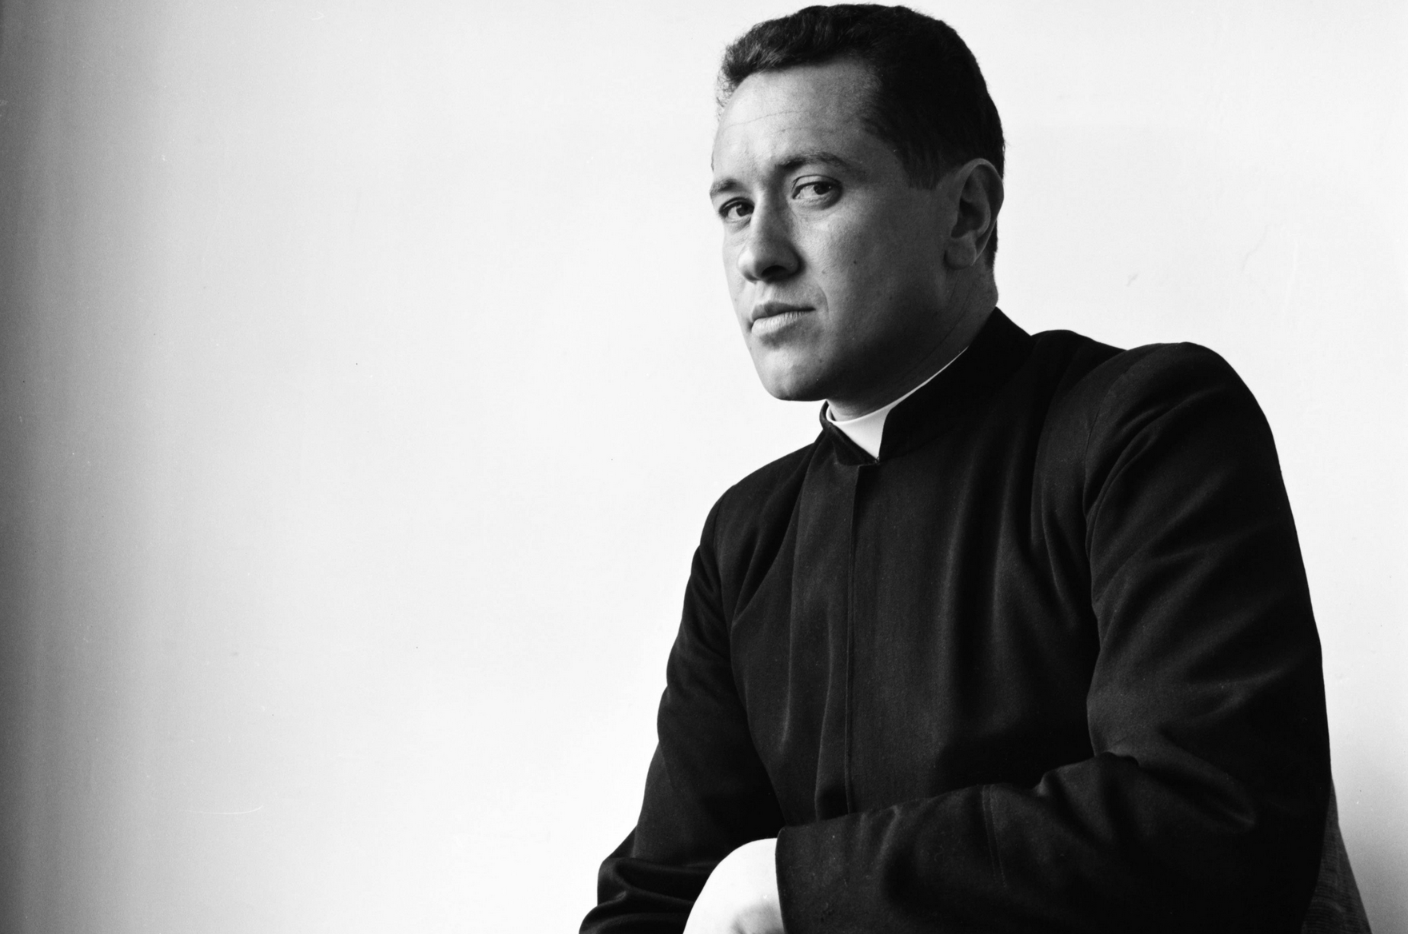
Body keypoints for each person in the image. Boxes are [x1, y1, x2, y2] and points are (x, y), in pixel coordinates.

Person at [582, 6, 1370, 932]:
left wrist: (785, 884)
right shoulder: (745, 538)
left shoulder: (1149, 426)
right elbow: (657, 899)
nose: (759, 254)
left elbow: (1213, 823)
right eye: (734, 208)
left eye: (814, 188)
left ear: (966, 214)